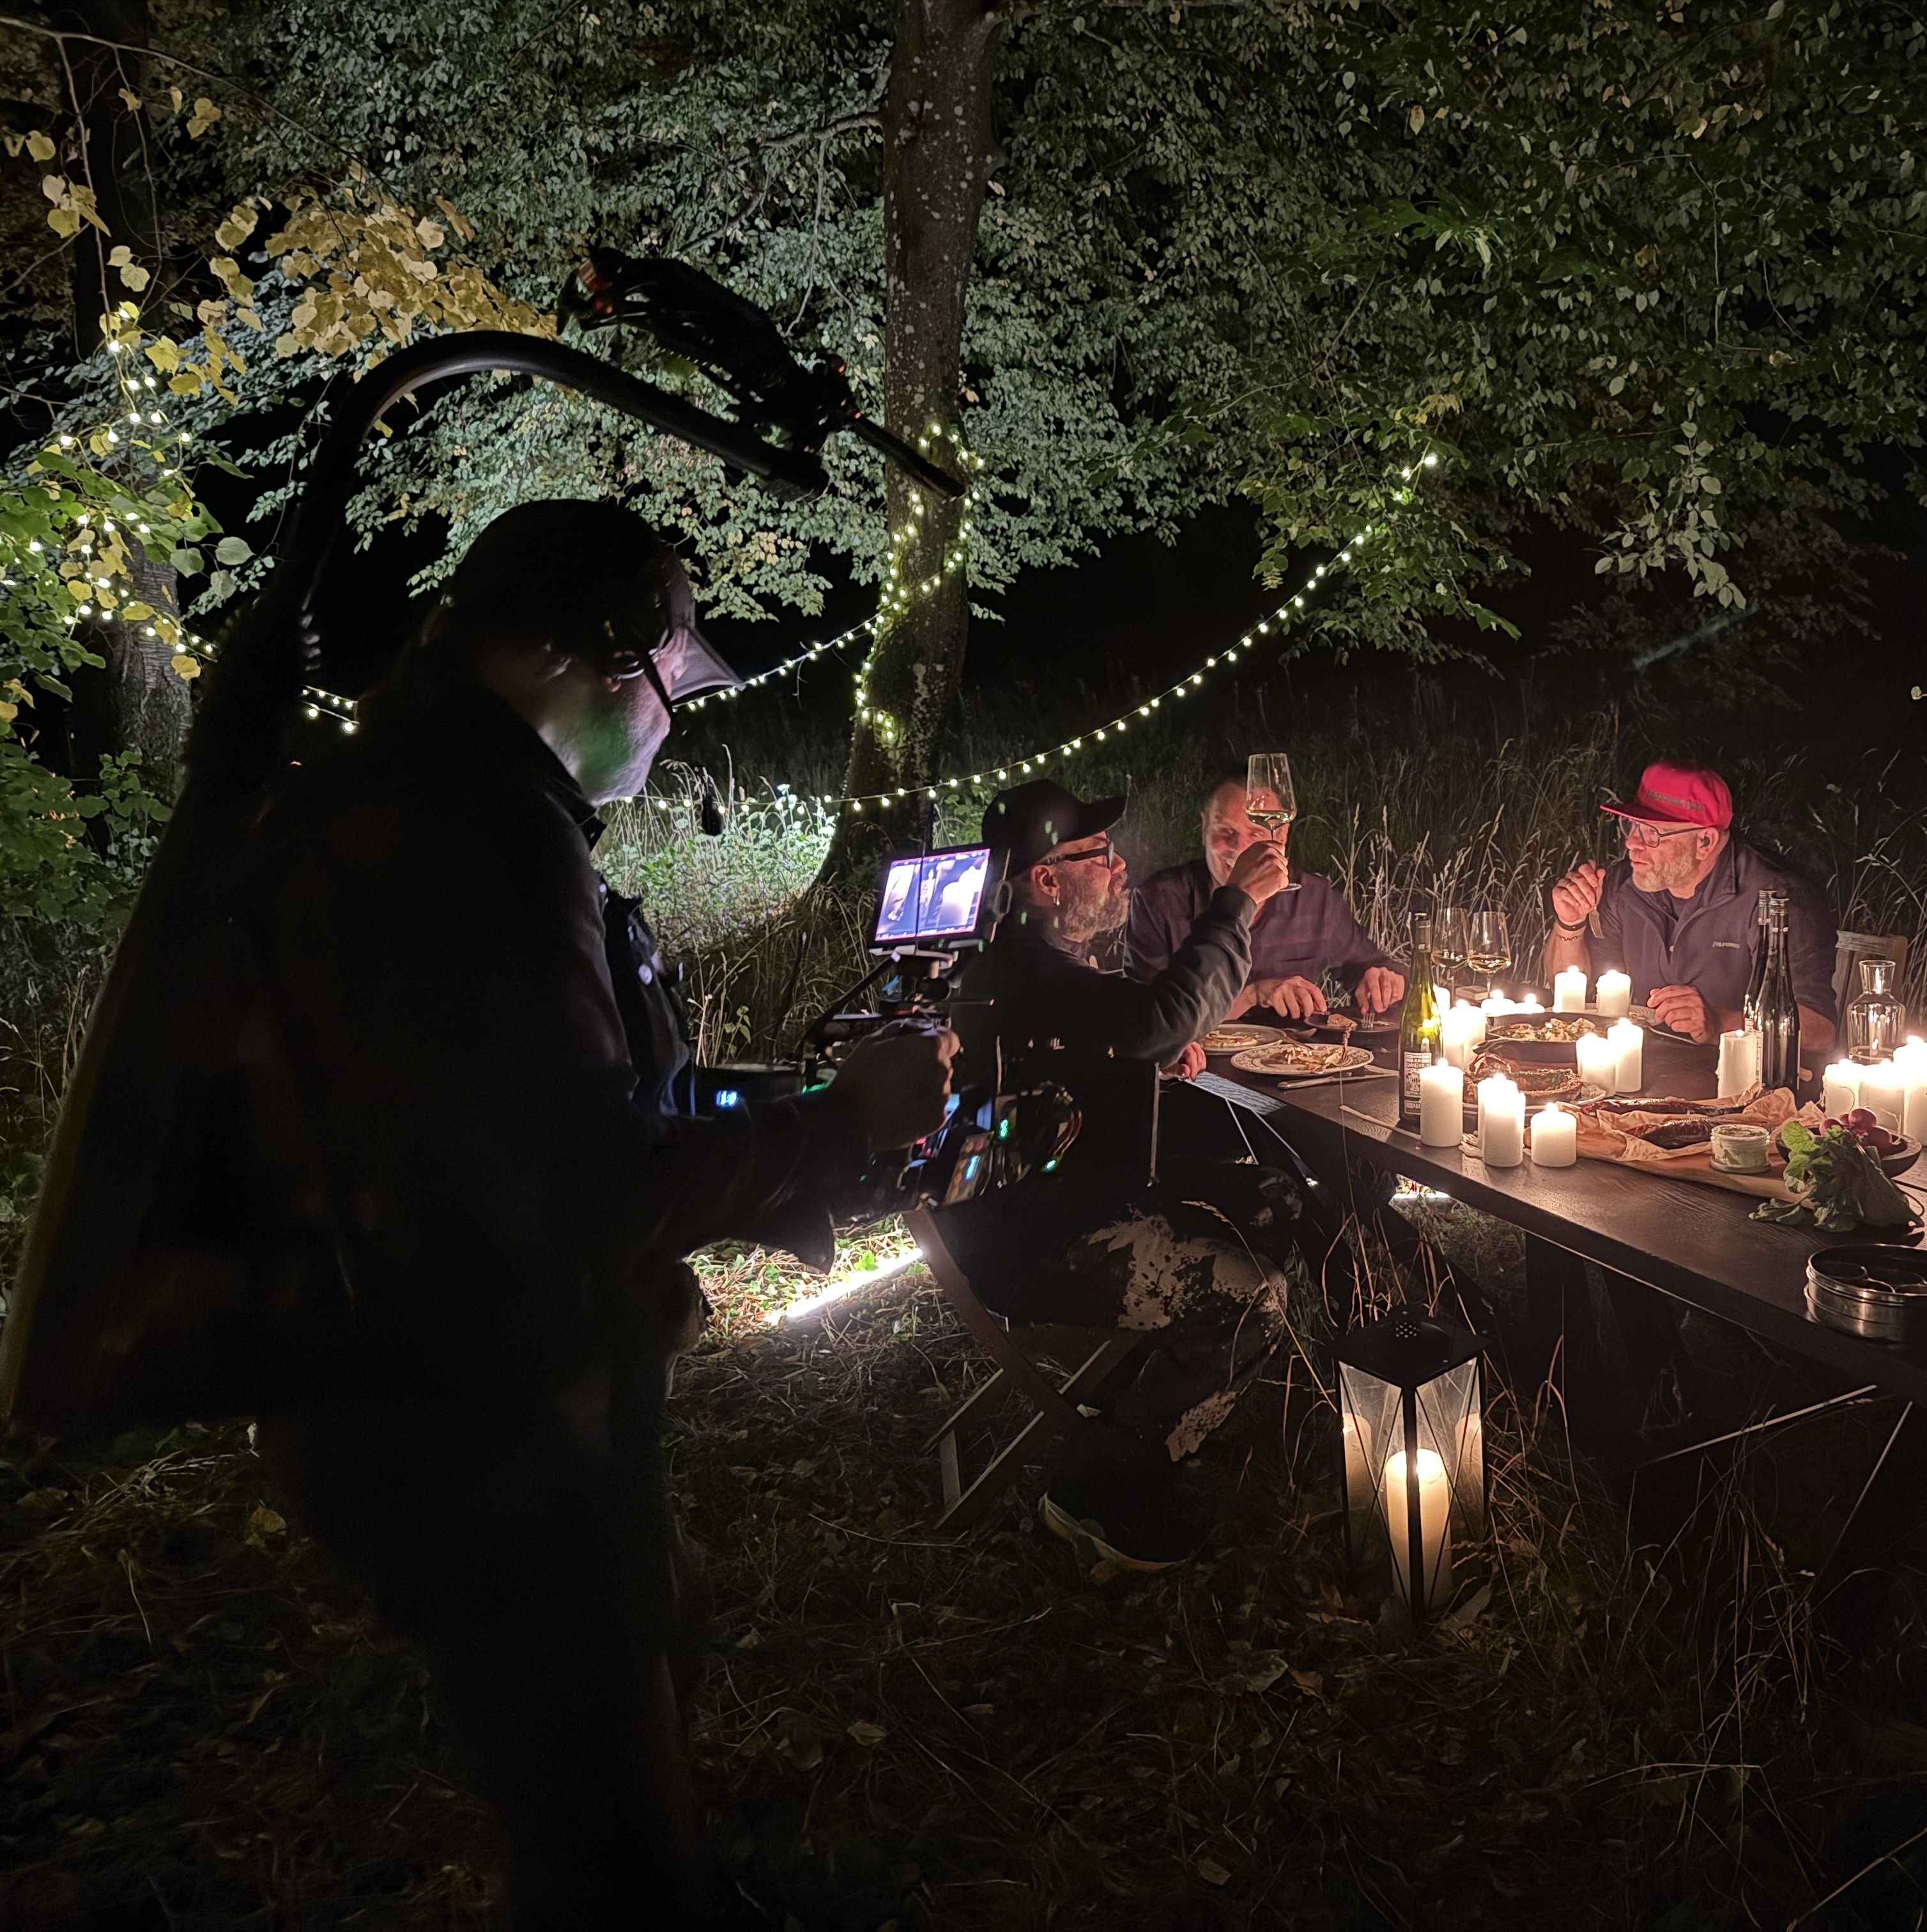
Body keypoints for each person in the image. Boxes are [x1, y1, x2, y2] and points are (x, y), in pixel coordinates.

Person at [241, 500, 958, 1929]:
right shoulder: (473, 838)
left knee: (643, 1639)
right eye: (671, 687)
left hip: (462, 1398)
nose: (674, 728)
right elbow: (585, 1186)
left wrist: (799, 1114)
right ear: (595, 649)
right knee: (590, 1776)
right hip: (487, 1421)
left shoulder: (426, 793)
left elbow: (574, 1109)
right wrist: (843, 1125)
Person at [945, 778, 1298, 1570]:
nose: (1120, 865)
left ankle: (1135, 1401)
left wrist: (1138, 1067)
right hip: (1037, 1244)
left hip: (1055, 1200)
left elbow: (1091, 1051)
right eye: (1098, 855)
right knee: (1258, 1300)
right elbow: (1157, 1017)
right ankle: (1102, 1491)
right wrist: (1234, 907)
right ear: (1045, 880)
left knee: (1273, 1199)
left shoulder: (1022, 964)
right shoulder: (1027, 968)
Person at [1544, 760, 1839, 1064]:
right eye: (1631, 826)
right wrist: (1570, 924)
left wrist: (1720, 1024)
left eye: (1652, 833)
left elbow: (1820, 1031)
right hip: (1645, 1075)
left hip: (1740, 1091)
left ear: (1705, 841)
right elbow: (1571, 991)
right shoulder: (1625, 885)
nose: (1631, 844)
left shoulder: (1777, 900)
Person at [1125, 775, 1404, 1023]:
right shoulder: (1159, 900)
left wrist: (1381, 981)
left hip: (1292, 1069)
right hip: (1194, 1076)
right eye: (1225, 832)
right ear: (1203, 828)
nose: (1241, 849)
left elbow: (1370, 967)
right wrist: (1253, 995)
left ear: (1282, 836)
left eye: (1257, 833)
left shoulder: (1314, 900)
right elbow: (1147, 1022)